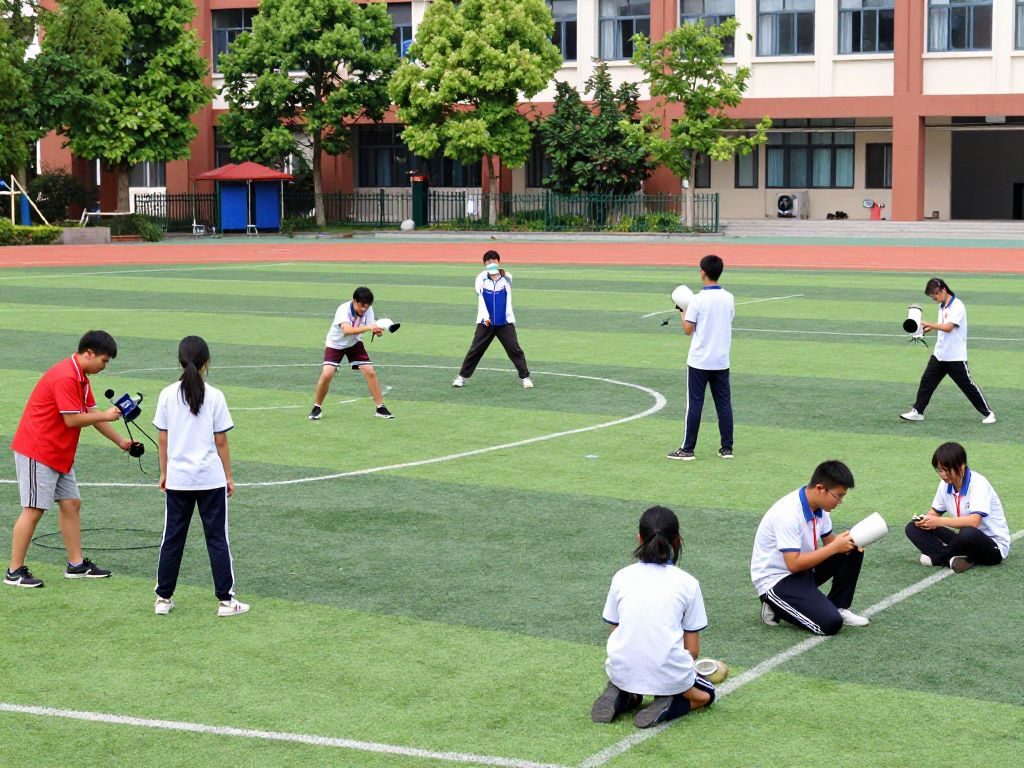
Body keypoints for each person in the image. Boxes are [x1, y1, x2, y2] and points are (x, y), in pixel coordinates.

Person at [5, 330, 131, 588]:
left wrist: (120, 441)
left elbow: (91, 412)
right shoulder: (66, 376)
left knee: (71, 503)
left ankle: (76, 564)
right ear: (89, 354)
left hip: (59, 452)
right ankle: (14, 571)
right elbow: (72, 419)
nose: (105, 366)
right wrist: (106, 415)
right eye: (104, 360)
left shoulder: (80, 376)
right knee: (33, 509)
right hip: (38, 450)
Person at [592, 506, 716, 729]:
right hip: (666, 672)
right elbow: (692, 651)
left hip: (621, 670)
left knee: (634, 674)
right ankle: (669, 703)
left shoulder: (621, 577)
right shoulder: (688, 583)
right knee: (706, 694)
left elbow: (616, 632)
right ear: (677, 540)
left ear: (639, 538)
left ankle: (626, 695)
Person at [153, 336, 247, 616]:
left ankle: (163, 599)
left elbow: (163, 438)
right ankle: (226, 601)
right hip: (209, 478)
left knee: (172, 537)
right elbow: (221, 441)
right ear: (207, 362)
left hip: (179, 478)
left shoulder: (167, 394)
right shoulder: (215, 395)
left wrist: (164, 472)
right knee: (217, 538)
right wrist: (228, 475)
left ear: (180, 361)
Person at [751, 460, 869, 636]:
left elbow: (830, 541)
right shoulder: (788, 514)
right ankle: (773, 604)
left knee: (852, 546)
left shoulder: (820, 507)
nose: (840, 502)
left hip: (803, 570)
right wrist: (835, 547)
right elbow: (793, 564)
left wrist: (850, 543)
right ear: (820, 489)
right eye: (838, 496)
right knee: (830, 624)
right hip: (778, 580)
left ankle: (839, 606)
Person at [666, 254, 735, 461]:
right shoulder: (729, 298)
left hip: (699, 361)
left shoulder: (697, 300)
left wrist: (682, 309)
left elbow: (688, 329)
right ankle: (727, 448)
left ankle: (687, 449)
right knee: (724, 404)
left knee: (695, 404)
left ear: (702, 273)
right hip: (721, 360)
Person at [901, 277, 995, 424]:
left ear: (943, 290)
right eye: (932, 297)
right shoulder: (942, 306)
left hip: (955, 357)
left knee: (968, 386)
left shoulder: (957, 306)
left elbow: (948, 327)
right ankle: (917, 411)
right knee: (926, 382)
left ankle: (989, 414)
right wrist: (930, 327)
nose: (935, 299)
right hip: (940, 355)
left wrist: (927, 323)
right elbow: (943, 324)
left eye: (935, 296)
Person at [906, 442, 1010, 573]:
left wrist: (938, 521)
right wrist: (925, 520)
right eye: (940, 470)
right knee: (913, 527)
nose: (943, 475)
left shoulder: (979, 484)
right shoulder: (944, 485)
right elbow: (934, 513)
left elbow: (973, 522)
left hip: (993, 547)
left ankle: (939, 558)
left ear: (962, 466)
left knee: (968, 532)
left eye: (947, 470)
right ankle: (955, 558)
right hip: (963, 540)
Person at [309, 286, 393, 420]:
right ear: (354, 301)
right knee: (327, 374)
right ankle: (317, 407)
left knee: (370, 371)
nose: (364, 309)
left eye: (366, 306)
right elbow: (347, 330)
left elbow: (371, 325)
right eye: (361, 306)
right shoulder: (343, 310)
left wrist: (377, 331)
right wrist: (369, 327)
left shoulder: (368, 309)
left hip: (354, 343)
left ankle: (380, 408)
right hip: (335, 344)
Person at [452, 250, 533, 390]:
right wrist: (489, 274)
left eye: (494, 260)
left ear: (498, 262)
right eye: (488, 261)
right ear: (484, 264)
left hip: (505, 322)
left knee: (514, 349)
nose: (491, 263)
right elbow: (478, 290)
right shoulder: (481, 278)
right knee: (476, 350)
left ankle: (525, 378)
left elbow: (508, 277)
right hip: (486, 322)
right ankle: (461, 377)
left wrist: (500, 273)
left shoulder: (507, 277)